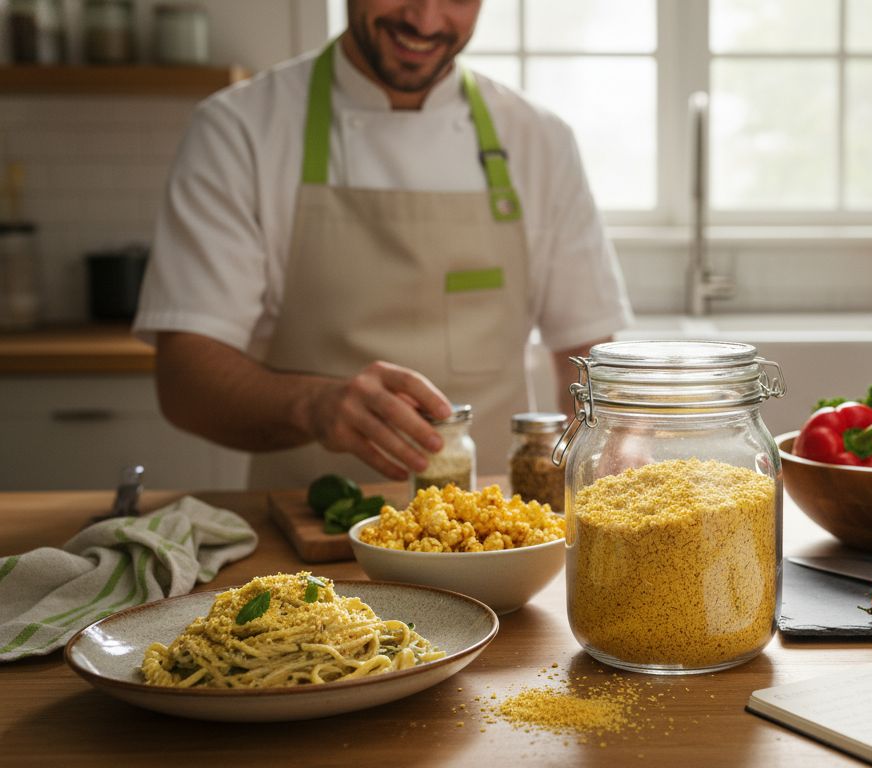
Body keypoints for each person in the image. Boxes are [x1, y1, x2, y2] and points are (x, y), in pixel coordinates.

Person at [132, 0, 632, 488]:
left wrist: (612, 456)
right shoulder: (239, 129)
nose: (425, 19)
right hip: (302, 534)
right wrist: (313, 406)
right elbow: (184, 382)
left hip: (498, 538)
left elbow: (587, 355)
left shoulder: (540, 139)